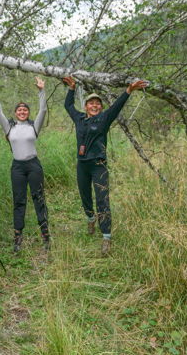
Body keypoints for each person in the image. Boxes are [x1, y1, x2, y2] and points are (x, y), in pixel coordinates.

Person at [62, 76, 149, 255]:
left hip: (98, 164)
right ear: (86, 106)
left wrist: (129, 91)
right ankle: (90, 217)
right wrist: (71, 89)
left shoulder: (104, 119)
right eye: (91, 103)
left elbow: (116, 106)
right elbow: (68, 106)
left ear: (100, 107)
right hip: (82, 165)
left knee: (102, 199)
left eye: (98, 104)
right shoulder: (79, 118)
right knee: (85, 195)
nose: (95, 106)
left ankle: (106, 237)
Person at [0, 75, 50, 252]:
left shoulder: (34, 126)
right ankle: (17, 237)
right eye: (19, 110)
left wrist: (41, 91)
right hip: (17, 167)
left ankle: (45, 235)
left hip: (33, 165)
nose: (22, 112)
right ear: (15, 113)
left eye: (25, 110)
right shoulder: (9, 127)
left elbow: (43, 110)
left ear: (28, 113)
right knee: (19, 201)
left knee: (39, 198)